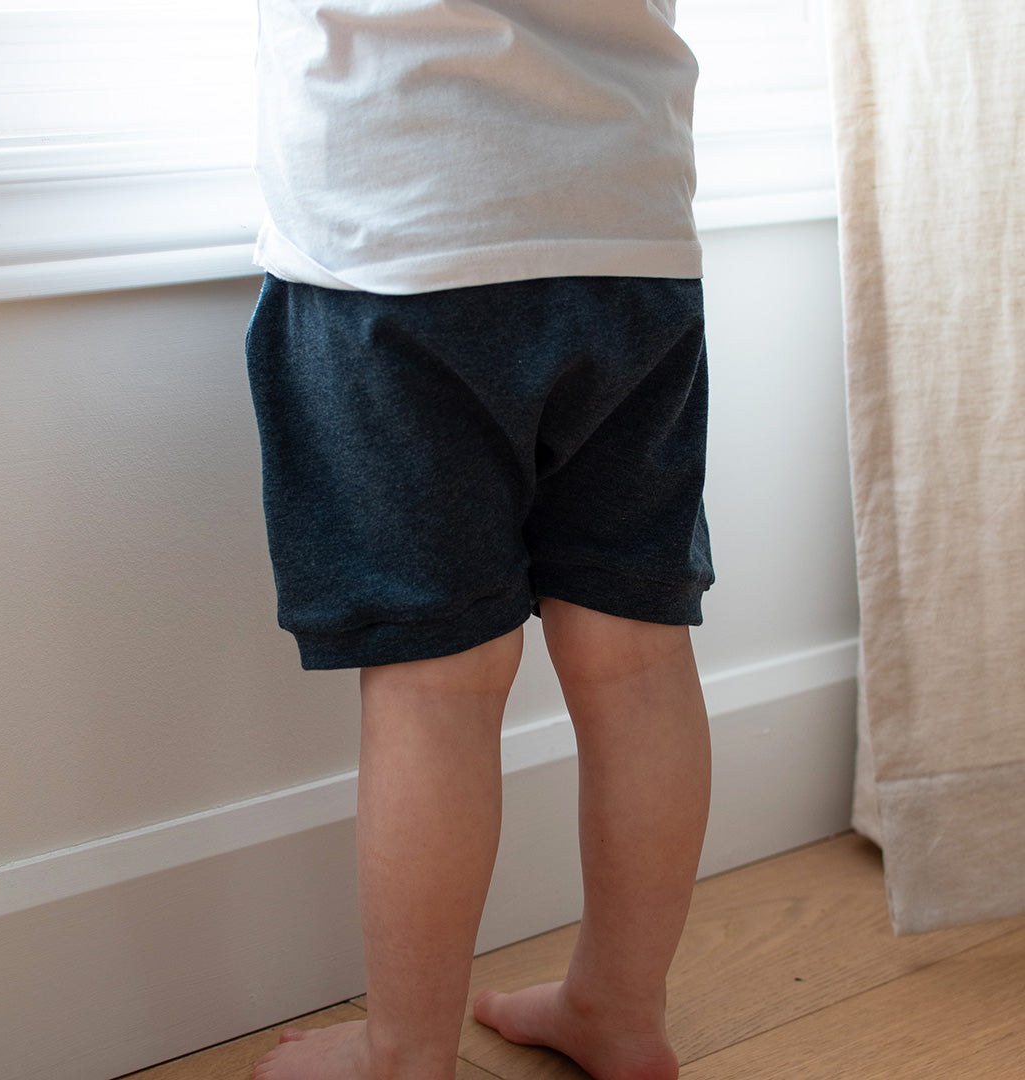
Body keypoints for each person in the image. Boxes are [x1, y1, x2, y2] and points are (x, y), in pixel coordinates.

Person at [245, 3, 714, 1080]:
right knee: (639, 660)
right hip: (630, 239)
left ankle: (406, 1056)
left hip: (401, 239)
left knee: (435, 686)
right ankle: (621, 1009)